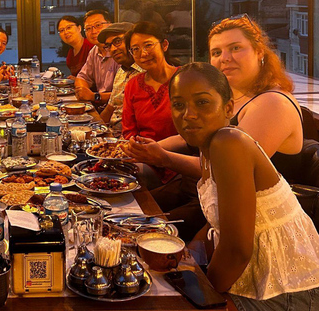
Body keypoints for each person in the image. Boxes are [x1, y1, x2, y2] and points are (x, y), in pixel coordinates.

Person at [123, 14, 304, 241]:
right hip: (207, 195)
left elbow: (226, 170)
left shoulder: (273, 103)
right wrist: (144, 149)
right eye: (217, 52)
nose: (225, 58)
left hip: (254, 220)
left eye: (235, 48)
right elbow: (189, 135)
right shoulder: (234, 96)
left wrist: (164, 158)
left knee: (138, 230)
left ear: (260, 52)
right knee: (126, 209)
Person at [168, 62, 319, 310]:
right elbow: (216, 225)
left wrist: (199, 293)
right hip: (255, 282)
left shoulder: (229, 143)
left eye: (202, 102)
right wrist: (184, 262)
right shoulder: (210, 149)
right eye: (179, 104)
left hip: (287, 294)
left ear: (228, 107)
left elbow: (237, 251)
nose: (188, 114)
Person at [121, 21, 179, 188]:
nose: (143, 54)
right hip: (143, 161)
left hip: (179, 162)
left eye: (148, 45)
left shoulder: (185, 79)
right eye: (136, 49)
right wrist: (138, 151)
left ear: (164, 45)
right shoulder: (133, 85)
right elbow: (129, 131)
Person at [96, 22, 140, 134]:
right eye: (109, 46)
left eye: (117, 42)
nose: (113, 49)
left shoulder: (146, 72)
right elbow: (110, 108)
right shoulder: (121, 71)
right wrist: (95, 130)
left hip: (129, 139)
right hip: (111, 133)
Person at [75, 10, 120, 106]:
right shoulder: (94, 51)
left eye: (98, 25)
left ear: (110, 25)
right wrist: (83, 92)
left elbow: (123, 95)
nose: (93, 31)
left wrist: (94, 96)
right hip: (101, 107)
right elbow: (82, 78)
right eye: (88, 28)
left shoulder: (119, 52)